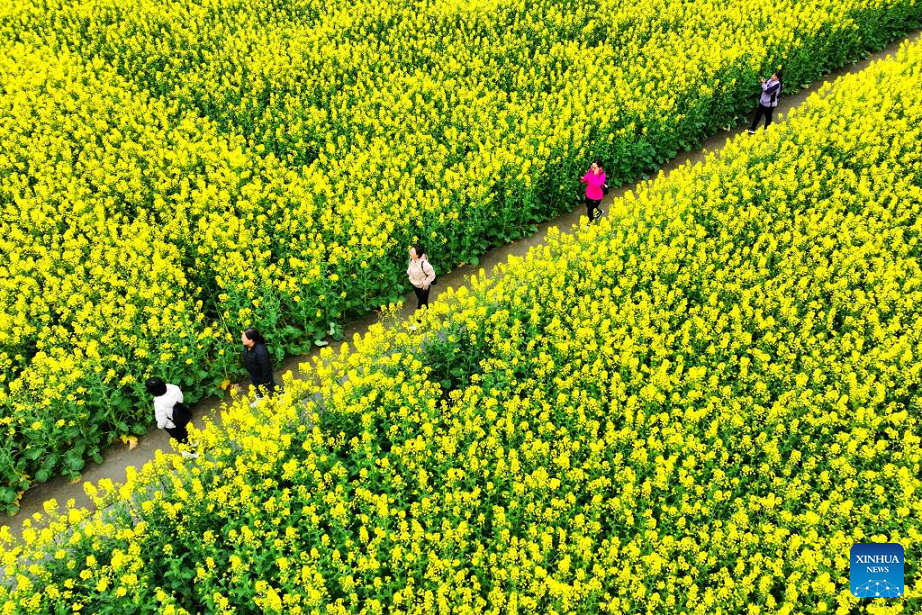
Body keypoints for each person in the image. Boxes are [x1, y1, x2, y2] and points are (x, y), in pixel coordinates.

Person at [146, 377, 197, 458]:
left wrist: (160, 426)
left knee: (181, 438)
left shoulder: (158, 403)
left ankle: (190, 453)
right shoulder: (174, 388)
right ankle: (193, 441)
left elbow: (161, 419)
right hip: (183, 415)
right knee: (187, 431)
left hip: (172, 425)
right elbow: (181, 398)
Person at [242, 327, 276, 406]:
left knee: (271, 386)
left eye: (244, 338)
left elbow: (266, 367)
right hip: (254, 374)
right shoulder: (246, 347)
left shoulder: (261, 351)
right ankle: (260, 399)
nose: (242, 339)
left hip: (263, 375)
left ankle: (283, 394)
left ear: (251, 340)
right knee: (257, 387)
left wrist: (266, 380)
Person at [407, 244, 436, 328]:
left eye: (412, 252)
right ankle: (428, 314)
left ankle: (418, 323)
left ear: (418, 255)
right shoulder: (412, 259)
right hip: (415, 284)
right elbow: (410, 267)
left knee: (420, 304)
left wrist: (425, 283)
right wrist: (409, 273)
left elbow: (432, 275)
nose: (410, 252)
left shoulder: (425, 264)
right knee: (423, 302)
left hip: (423, 287)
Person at [748, 70, 783, 134]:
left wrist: (763, 83)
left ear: (778, 78)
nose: (772, 75)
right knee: (758, 115)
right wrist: (763, 82)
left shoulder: (777, 85)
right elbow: (765, 86)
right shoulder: (770, 80)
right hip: (763, 101)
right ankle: (752, 129)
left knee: (768, 116)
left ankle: (767, 129)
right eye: (773, 74)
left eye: (774, 75)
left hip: (769, 104)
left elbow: (767, 91)